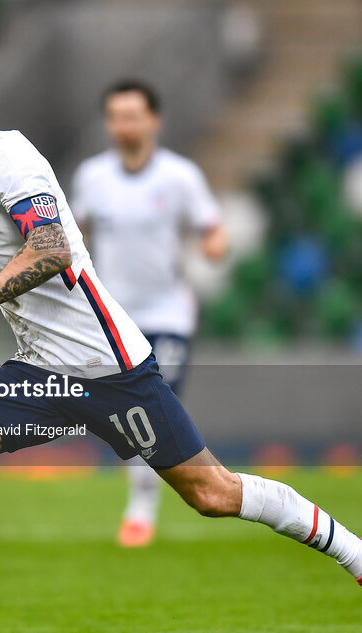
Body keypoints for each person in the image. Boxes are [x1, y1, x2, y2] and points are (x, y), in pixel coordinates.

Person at [0, 54, 362, 633]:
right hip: (43, 378)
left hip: (113, 371)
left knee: (213, 494)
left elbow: (51, 251)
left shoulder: (11, 162)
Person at [71, 80, 229, 548]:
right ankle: (144, 497)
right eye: (116, 116)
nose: (124, 125)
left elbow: (213, 229)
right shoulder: (92, 177)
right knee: (130, 413)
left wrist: (214, 246)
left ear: (154, 120)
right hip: (114, 317)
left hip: (168, 313)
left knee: (158, 403)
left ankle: (143, 505)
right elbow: (73, 233)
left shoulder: (180, 177)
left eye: (133, 115)